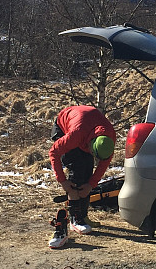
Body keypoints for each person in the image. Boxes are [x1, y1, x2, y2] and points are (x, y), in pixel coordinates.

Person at [48, 105, 116, 248]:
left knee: (87, 169)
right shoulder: (76, 135)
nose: (93, 156)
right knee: (78, 168)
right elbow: (53, 152)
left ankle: (82, 215)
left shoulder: (109, 138)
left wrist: (91, 184)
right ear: (91, 144)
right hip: (64, 124)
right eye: (93, 153)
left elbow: (103, 163)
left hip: (87, 125)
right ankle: (74, 219)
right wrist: (63, 181)